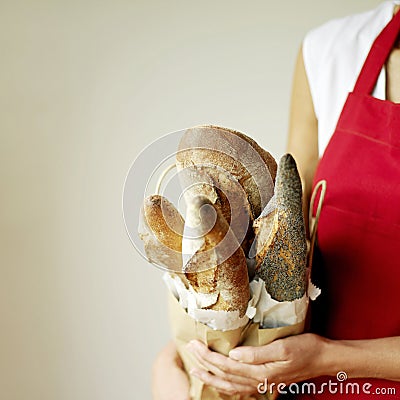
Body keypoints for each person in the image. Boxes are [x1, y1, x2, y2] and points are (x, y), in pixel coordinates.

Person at [152, 2, 400, 399]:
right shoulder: (330, 52)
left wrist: (329, 358)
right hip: (293, 383)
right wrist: (189, 353)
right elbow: (278, 245)